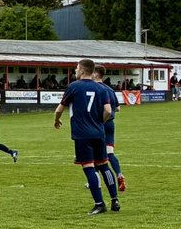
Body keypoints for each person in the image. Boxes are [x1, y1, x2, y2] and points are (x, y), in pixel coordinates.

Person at [53, 58, 119, 215]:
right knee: (103, 165)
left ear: (82, 71)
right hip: (99, 133)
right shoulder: (101, 89)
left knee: (89, 167)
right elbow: (109, 111)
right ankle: (114, 200)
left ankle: (99, 204)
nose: (75, 71)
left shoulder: (73, 87)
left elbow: (59, 109)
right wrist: (99, 123)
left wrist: (56, 120)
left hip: (82, 134)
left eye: (76, 68)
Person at [92, 67, 126, 191]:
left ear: (96, 74)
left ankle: (94, 180)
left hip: (98, 123)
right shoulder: (110, 89)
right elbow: (118, 108)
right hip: (110, 124)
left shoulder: (94, 89)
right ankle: (119, 174)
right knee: (109, 152)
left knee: (94, 152)